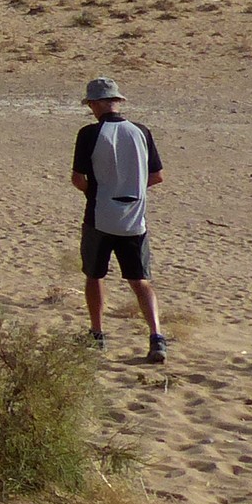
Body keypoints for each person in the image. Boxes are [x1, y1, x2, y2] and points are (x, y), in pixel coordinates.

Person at [73, 77, 168, 363]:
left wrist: (99, 192)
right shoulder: (141, 131)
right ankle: (156, 336)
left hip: (99, 216)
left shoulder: (89, 134)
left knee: (94, 275)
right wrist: (132, 190)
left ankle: (97, 334)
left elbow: (78, 179)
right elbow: (157, 176)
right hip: (134, 218)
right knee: (140, 279)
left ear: (97, 104)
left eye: (91, 103)